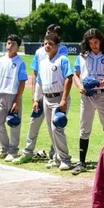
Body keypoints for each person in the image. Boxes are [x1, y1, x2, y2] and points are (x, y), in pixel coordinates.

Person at [73, 28, 104, 174]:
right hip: (86, 96)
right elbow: (76, 75)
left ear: (101, 41)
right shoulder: (82, 57)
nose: (93, 45)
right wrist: (80, 86)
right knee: (84, 128)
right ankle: (81, 162)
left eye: (96, 42)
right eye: (90, 42)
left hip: (102, 95)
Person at [30, 34, 75, 171]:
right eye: (45, 43)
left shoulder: (62, 60)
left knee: (57, 128)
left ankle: (65, 159)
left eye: (50, 44)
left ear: (57, 46)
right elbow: (39, 82)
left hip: (59, 98)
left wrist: (64, 99)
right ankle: (57, 157)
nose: (47, 46)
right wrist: (36, 99)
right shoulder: (43, 62)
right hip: (46, 98)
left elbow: (69, 78)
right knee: (50, 130)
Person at [23, 26, 67, 160]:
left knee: (56, 125)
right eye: (48, 33)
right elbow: (35, 74)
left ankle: (57, 154)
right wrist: (35, 96)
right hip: (42, 92)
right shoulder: (39, 52)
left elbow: (62, 73)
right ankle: (28, 151)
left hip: (56, 92)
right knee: (34, 121)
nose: (49, 36)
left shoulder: (62, 51)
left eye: (53, 35)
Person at [0, 35, 28, 161]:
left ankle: (13, 151)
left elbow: (22, 82)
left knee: (14, 123)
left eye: (13, 44)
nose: (10, 46)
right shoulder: (1, 60)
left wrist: (17, 100)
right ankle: (4, 148)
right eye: (8, 43)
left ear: (18, 47)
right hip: (1, 95)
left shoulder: (20, 62)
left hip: (13, 95)